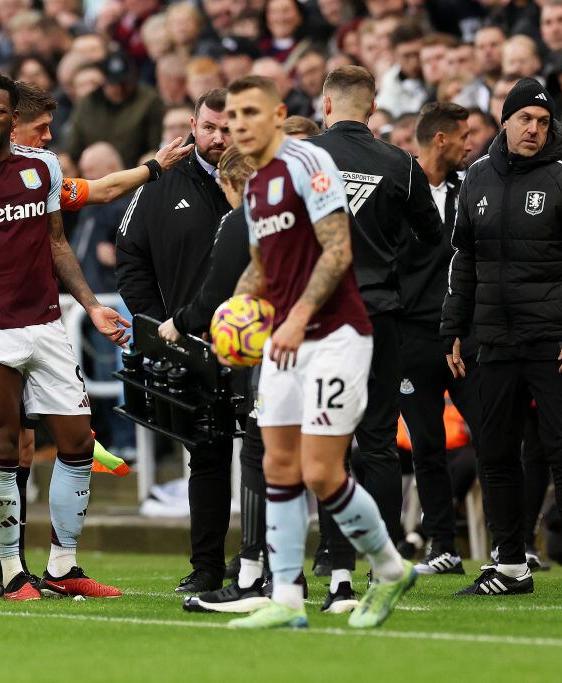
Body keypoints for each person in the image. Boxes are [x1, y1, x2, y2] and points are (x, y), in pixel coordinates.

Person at [0, 80, 191, 600]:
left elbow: (59, 239)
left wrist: (92, 305)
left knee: (77, 442)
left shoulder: (43, 168)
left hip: (47, 325)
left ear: (9, 116)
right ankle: (11, 573)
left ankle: (61, 567)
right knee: (3, 449)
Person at [222, 75, 415, 631]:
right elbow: (262, 267)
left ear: (280, 115)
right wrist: (233, 313)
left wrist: (299, 318)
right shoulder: (257, 186)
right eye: (233, 115)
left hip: (336, 335)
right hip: (285, 339)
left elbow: (338, 250)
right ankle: (286, 597)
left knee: (322, 472)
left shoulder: (310, 164)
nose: (239, 124)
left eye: (250, 113)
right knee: (277, 463)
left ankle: (389, 566)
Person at [442, 78, 562, 596]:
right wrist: (454, 328)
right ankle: (511, 565)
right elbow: (463, 260)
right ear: (505, 120)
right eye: (525, 119)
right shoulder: (476, 177)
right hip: (493, 342)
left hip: (553, 342)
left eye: (543, 121)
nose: (534, 129)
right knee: (495, 452)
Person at [307, 66, 441, 613]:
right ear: (373, 106)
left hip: (319, 316)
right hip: (379, 314)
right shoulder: (400, 165)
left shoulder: (302, 159)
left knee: (328, 445)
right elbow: (432, 235)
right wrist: (386, 265)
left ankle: (337, 578)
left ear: (326, 103)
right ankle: (381, 572)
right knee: (380, 443)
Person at [115, 88, 234, 594]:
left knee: (273, 456)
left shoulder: (267, 178)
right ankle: (207, 566)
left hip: (261, 339)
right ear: (192, 124)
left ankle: (271, 564)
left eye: (229, 128)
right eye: (210, 127)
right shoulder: (161, 183)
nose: (219, 138)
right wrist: (163, 326)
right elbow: (130, 258)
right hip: (192, 343)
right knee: (206, 456)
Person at [157, 147, 278, 614]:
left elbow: (219, 290)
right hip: (323, 344)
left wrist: (182, 322)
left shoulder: (244, 217)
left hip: (275, 356)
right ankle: (331, 574)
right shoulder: (301, 212)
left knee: (260, 456)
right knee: (311, 462)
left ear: (232, 184)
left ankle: (255, 573)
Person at [398, 102, 476, 575]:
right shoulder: (396, 191)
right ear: (440, 139)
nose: (472, 143)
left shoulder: (472, 190)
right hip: (413, 337)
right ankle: (442, 547)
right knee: (425, 444)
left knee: (493, 435)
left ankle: (514, 549)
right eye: (464, 135)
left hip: (466, 338)